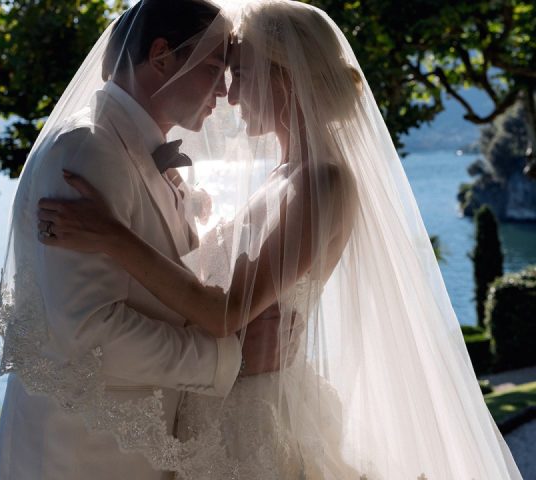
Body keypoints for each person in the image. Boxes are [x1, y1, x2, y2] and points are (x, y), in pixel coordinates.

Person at [35, 1, 524, 479]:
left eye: (241, 74)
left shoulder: (324, 183)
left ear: (285, 79)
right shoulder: (283, 176)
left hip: (257, 420)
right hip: (218, 411)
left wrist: (114, 237)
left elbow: (224, 313)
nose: (228, 95)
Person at [0, 1, 288, 479]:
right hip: (80, 455)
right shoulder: (87, 150)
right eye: (214, 68)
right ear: (161, 55)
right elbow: (88, 331)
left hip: (133, 448)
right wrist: (226, 357)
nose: (225, 90)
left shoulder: (133, 147)